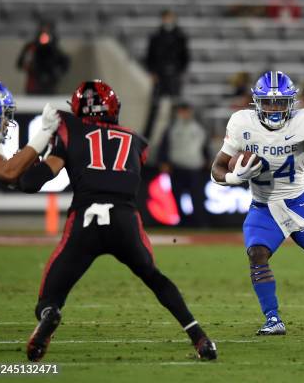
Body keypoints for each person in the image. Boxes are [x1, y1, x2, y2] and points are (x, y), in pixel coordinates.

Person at [18, 80, 216, 362]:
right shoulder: (135, 139)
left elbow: (30, 181)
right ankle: (200, 337)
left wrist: (41, 144)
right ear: (113, 108)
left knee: (49, 296)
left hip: (85, 220)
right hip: (125, 220)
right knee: (154, 278)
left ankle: (50, 315)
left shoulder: (71, 130)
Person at [211, 71, 304, 335]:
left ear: (291, 102)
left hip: (299, 203)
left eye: (280, 102)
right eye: (268, 102)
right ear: (256, 102)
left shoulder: (303, 118)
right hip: (262, 206)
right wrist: (233, 177)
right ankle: (273, 318)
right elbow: (217, 167)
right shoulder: (242, 123)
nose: (274, 108)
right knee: (257, 254)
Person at [0, 78, 59, 182]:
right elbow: (8, 172)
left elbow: (16, 180)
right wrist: (45, 132)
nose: (7, 122)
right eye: (4, 115)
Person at [158, 102, 209, 226]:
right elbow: (164, 146)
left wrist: (208, 160)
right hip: (177, 167)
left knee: (197, 196)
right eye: (182, 111)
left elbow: (205, 146)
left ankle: (199, 222)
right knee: (177, 196)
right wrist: (164, 161)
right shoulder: (171, 128)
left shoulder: (199, 128)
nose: (184, 114)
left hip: (195, 167)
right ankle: (181, 222)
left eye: (186, 111)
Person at [146, 10, 190, 98]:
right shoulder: (155, 37)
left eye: (170, 17)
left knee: (175, 100)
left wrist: (180, 71)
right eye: (166, 18)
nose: (168, 20)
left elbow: (185, 56)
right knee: (156, 101)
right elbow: (150, 56)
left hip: (175, 73)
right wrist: (152, 72)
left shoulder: (180, 37)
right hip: (159, 74)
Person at [16, 21, 69, 94]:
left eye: (47, 30)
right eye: (42, 30)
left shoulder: (55, 50)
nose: (44, 34)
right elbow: (20, 64)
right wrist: (30, 65)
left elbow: (65, 63)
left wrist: (57, 72)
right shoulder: (31, 48)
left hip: (50, 87)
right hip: (33, 86)